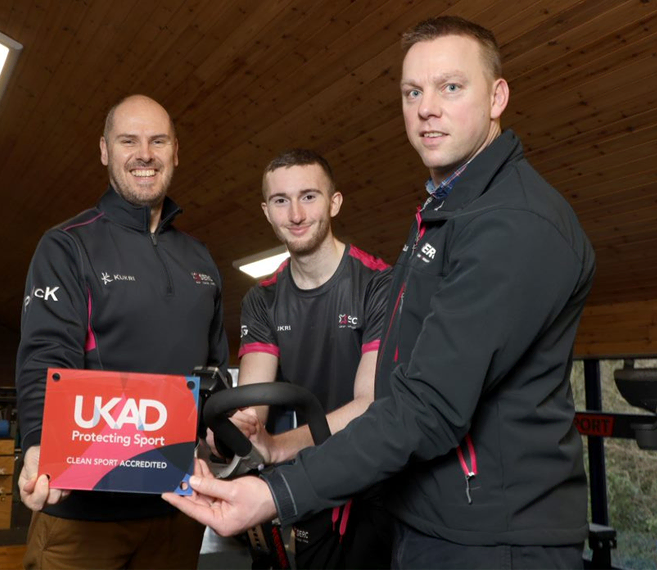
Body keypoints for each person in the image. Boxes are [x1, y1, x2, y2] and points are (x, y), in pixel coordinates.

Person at [165, 16, 595, 570]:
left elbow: (425, 406)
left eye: (451, 87)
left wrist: (279, 490)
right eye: (413, 92)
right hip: (427, 519)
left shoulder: (514, 223)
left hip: (492, 538)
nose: (426, 108)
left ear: (497, 96)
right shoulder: (445, 215)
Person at [16, 94, 229, 569]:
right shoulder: (68, 245)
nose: (145, 154)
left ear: (175, 150)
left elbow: (214, 369)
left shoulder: (201, 259)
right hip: (83, 513)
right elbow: (45, 354)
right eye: (128, 140)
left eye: (158, 141)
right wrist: (36, 441)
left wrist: (221, 429)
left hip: (178, 508)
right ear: (104, 150)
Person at [231, 149, 393, 568]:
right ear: (267, 212)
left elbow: (370, 405)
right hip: (303, 486)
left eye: (309, 196)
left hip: (371, 480)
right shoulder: (262, 298)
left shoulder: (379, 283)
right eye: (281, 201)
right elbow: (252, 405)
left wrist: (278, 447)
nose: (296, 214)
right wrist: (232, 431)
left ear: (334, 202)